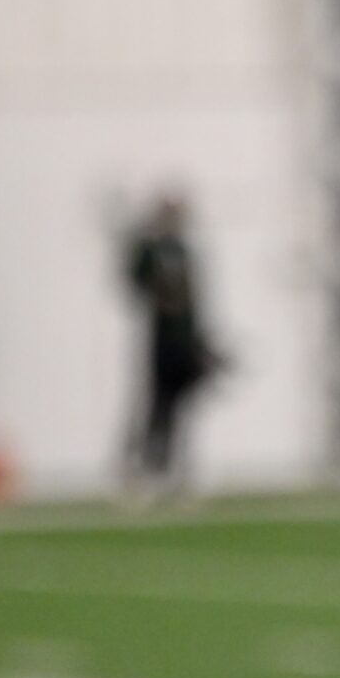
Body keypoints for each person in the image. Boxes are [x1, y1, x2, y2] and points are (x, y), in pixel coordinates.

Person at [126, 192, 216, 493]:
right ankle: (146, 468)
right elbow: (135, 282)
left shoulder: (184, 252)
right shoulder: (150, 250)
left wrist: (200, 340)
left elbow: (194, 300)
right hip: (160, 343)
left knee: (182, 410)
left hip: (184, 343)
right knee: (157, 407)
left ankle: (177, 470)